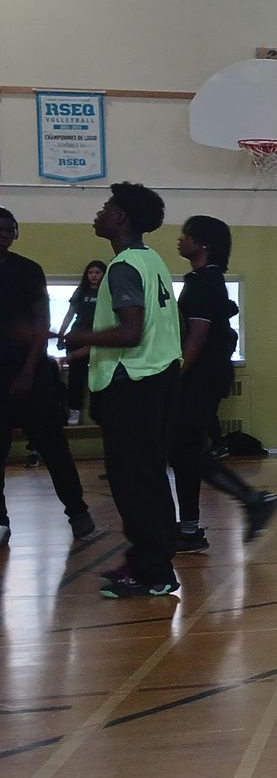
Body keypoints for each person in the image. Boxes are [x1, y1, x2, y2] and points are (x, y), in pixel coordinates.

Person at [61, 184, 183, 597]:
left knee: (134, 482)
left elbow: (131, 332)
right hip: (156, 378)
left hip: (133, 384)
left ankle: (155, 572)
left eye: (106, 207)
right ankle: (147, 561)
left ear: (121, 217)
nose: (99, 213)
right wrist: (84, 349)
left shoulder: (123, 266)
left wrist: (81, 335)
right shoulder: (153, 261)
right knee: (145, 477)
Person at [168, 216, 277, 552]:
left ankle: (252, 499)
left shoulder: (205, 282)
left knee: (185, 450)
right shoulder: (202, 279)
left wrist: (175, 376)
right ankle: (192, 528)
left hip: (201, 377)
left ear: (203, 244)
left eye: (187, 235)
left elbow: (197, 337)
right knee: (185, 451)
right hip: (203, 375)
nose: (180, 240)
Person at [0, 207, 100, 550]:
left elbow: (41, 321)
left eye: (9, 228)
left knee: (54, 448)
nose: (4, 233)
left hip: (31, 374)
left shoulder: (28, 270)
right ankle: (1, 521)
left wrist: (28, 372)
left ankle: (79, 514)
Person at [57, 259, 104, 424]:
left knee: (100, 377)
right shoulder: (81, 291)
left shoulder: (108, 293)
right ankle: (74, 410)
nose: (94, 276)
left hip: (99, 339)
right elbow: (70, 313)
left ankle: (99, 412)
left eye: (97, 272)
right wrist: (61, 334)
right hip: (78, 336)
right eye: (91, 272)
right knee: (75, 378)